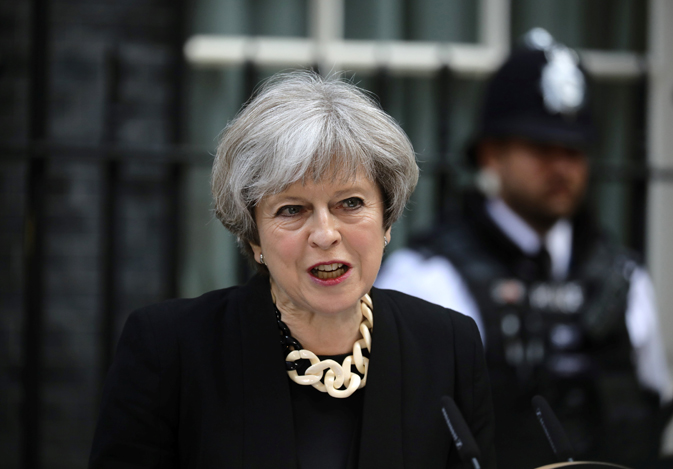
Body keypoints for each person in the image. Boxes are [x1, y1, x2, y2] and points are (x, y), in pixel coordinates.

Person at [88, 70, 496, 469]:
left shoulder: (449, 347)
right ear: (254, 237)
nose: (325, 234)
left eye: (350, 203)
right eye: (292, 210)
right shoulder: (169, 350)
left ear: (386, 221)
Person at [376, 29, 673, 468]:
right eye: (541, 147)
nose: (562, 167)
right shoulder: (428, 277)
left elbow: (654, 411)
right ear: (492, 154)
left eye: (574, 150)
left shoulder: (624, 277)